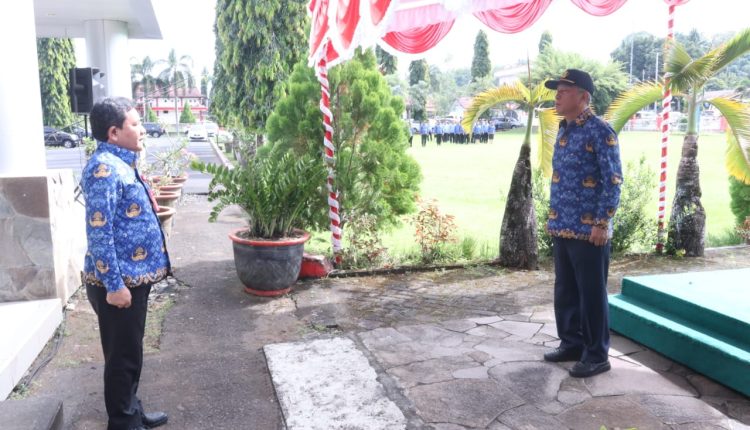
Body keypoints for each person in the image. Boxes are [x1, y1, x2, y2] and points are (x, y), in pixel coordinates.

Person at [81, 97, 171, 430]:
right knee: (122, 358)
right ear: (114, 132)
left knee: (130, 353)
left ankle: (131, 410)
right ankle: (123, 423)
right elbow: (99, 233)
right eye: (135, 124)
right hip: (118, 284)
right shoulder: (103, 169)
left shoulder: (120, 163)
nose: (142, 129)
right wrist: (115, 286)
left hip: (132, 280)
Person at [542, 69, 622, 378]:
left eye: (564, 91)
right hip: (562, 225)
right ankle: (572, 343)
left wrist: (602, 222)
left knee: (591, 294)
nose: (557, 96)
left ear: (583, 97)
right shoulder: (564, 129)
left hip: (590, 231)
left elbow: (613, 180)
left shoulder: (600, 130)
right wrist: (553, 216)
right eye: (557, 91)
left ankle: (597, 355)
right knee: (565, 291)